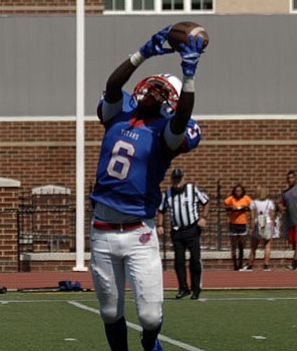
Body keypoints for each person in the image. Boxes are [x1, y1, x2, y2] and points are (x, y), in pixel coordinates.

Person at [89, 25, 205, 351]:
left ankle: (151, 344)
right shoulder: (119, 113)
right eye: (151, 86)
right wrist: (143, 52)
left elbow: (182, 121)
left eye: (161, 91)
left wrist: (190, 75)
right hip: (101, 227)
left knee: (151, 318)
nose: (153, 92)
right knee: (110, 311)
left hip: (140, 231)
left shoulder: (164, 134)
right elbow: (112, 86)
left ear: (170, 102)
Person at [157, 168, 209, 300]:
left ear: (183, 178)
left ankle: (196, 288)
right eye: (174, 179)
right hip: (177, 231)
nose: (177, 182)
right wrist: (160, 225)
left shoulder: (192, 189)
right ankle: (183, 288)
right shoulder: (168, 193)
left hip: (192, 229)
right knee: (179, 261)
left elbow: (206, 202)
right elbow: (161, 210)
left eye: (179, 179)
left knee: (195, 260)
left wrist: (203, 218)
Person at [240, 186, 275, 271]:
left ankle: (250, 264)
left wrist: (251, 227)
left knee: (253, 246)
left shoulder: (253, 203)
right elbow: (272, 215)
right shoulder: (270, 203)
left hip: (257, 223)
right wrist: (273, 226)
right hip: (267, 223)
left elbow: (252, 217)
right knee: (267, 246)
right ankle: (266, 265)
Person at [223, 184, 252, 270]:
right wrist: (231, 208)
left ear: (242, 191)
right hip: (233, 223)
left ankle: (240, 264)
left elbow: (251, 206)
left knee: (241, 245)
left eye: (239, 191)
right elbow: (225, 205)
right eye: (236, 191)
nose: (238, 193)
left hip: (242, 223)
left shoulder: (246, 198)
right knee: (234, 245)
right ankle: (235, 265)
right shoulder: (231, 198)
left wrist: (245, 207)